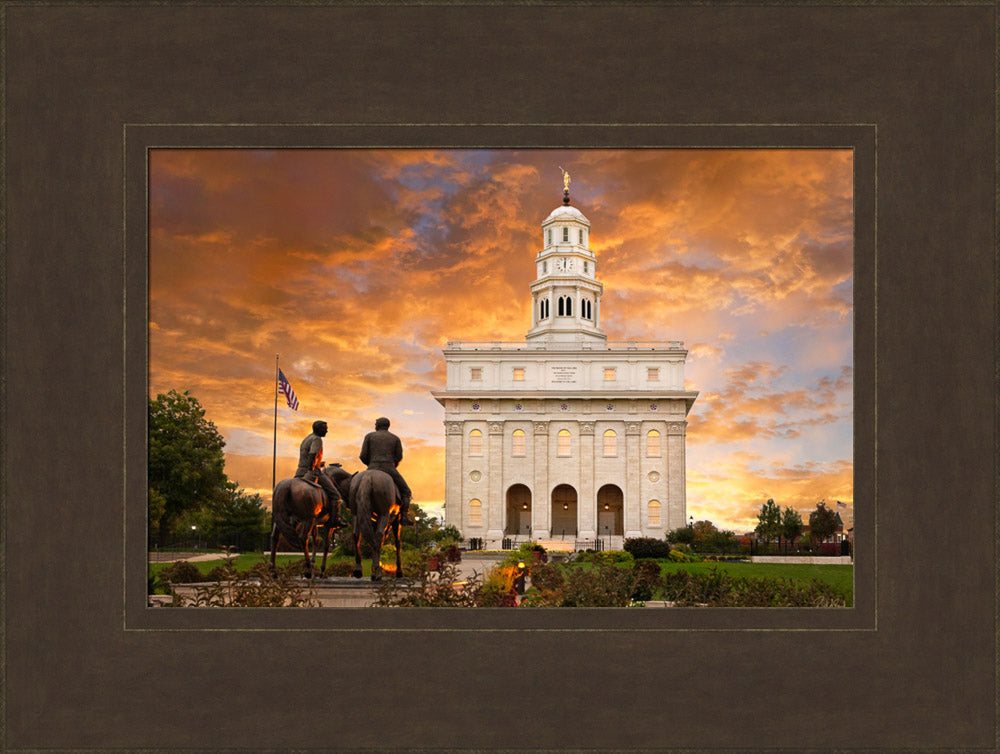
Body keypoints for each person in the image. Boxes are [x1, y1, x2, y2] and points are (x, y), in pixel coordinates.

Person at [359, 416, 413, 525]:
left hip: (372, 466)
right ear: (387, 426)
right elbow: (399, 457)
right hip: (389, 467)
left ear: (377, 426)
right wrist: (393, 466)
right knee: (406, 491)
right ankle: (404, 516)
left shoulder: (369, 436)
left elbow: (363, 456)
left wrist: (370, 465)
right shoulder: (395, 438)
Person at [295, 420, 343, 527]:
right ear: (319, 429)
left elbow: (307, 456)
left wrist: (318, 462)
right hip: (312, 472)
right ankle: (334, 520)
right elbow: (312, 454)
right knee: (336, 496)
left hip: (300, 471)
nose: (327, 430)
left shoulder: (307, 438)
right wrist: (313, 467)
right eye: (325, 428)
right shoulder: (317, 439)